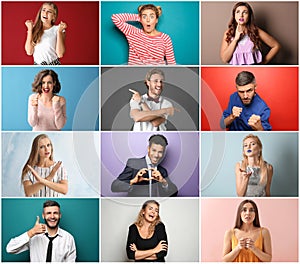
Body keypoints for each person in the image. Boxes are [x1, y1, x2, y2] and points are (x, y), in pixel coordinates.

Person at [6, 200, 76, 262]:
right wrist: (31, 232)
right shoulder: (34, 235)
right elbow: (10, 249)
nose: (52, 216)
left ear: (60, 215)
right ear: (43, 216)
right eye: (48, 213)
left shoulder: (68, 238)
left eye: (55, 213)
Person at [111, 134, 178, 197]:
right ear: (148, 149)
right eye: (154, 150)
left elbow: (174, 194)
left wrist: (164, 182)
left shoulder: (162, 171)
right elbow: (114, 186)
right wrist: (133, 181)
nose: (156, 155)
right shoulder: (133, 164)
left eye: (160, 152)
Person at [112, 4, 176, 65]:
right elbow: (115, 18)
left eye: (152, 16)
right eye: (144, 16)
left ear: (156, 20)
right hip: (135, 74)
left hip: (156, 74)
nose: (148, 20)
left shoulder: (165, 38)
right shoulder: (132, 33)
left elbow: (172, 63)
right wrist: (139, 17)